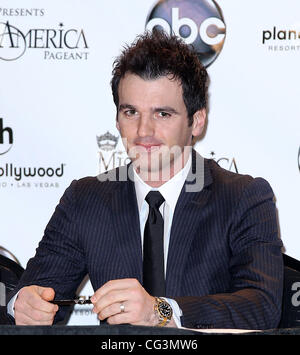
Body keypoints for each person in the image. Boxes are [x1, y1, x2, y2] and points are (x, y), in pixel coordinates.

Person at [6, 30, 283, 329]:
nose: (143, 131)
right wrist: (23, 304)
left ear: (197, 121)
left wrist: (161, 311)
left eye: (162, 114)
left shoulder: (243, 197)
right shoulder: (85, 200)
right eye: (131, 112)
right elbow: (36, 294)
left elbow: (262, 306)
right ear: (117, 118)